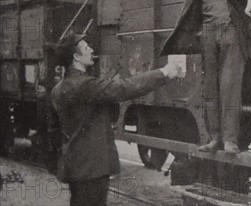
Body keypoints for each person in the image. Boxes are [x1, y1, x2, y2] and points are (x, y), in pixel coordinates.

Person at [50, 32, 180, 206]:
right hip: (92, 170)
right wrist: (163, 73)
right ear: (76, 57)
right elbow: (125, 88)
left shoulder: (58, 89)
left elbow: (54, 131)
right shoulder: (83, 85)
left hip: (76, 166)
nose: (92, 50)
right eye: (87, 48)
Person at [160, 0, 251, 154]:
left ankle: (230, 140)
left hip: (231, 30)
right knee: (210, 86)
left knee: (229, 86)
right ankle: (215, 137)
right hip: (208, 33)